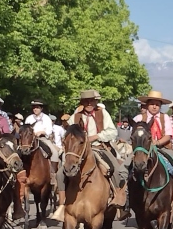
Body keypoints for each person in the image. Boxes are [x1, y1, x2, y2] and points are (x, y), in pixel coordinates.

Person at [50, 90, 125, 221]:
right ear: (82, 102)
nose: (89, 103)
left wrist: (96, 136)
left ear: (96, 101)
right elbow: (69, 133)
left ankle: (117, 200)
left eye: (92, 100)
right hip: (78, 150)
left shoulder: (102, 113)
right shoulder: (76, 116)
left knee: (115, 169)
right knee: (61, 173)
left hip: (99, 147)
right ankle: (62, 204)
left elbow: (112, 132)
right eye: (86, 101)